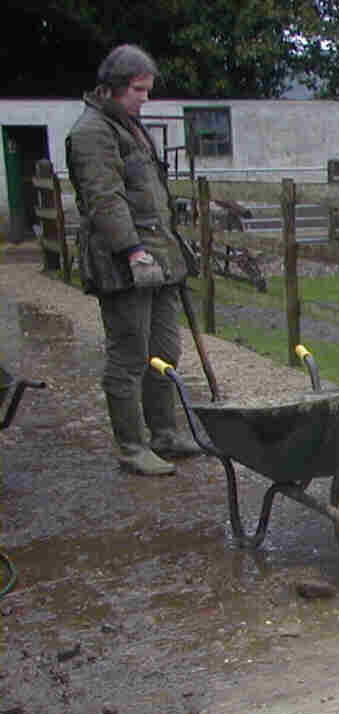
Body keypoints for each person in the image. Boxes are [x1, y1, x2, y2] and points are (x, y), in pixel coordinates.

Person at [66, 44, 201, 476]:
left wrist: (169, 250)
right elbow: (105, 199)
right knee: (129, 355)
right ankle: (131, 446)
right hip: (122, 264)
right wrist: (134, 251)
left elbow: (152, 197)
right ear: (114, 88)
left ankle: (163, 433)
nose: (146, 98)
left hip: (158, 258)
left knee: (164, 349)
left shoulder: (130, 126)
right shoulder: (93, 133)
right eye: (140, 90)